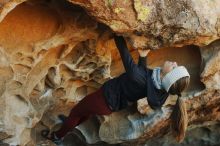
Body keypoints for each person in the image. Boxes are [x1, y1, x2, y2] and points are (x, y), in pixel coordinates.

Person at [41, 34, 190, 145]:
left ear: (167, 77)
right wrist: (143, 58)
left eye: (174, 68)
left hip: (102, 100)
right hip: (108, 104)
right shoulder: (161, 89)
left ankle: (57, 137)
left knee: (76, 112)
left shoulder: (144, 79)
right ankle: (70, 124)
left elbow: (127, 58)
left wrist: (117, 32)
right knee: (84, 112)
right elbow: (143, 77)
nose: (175, 63)